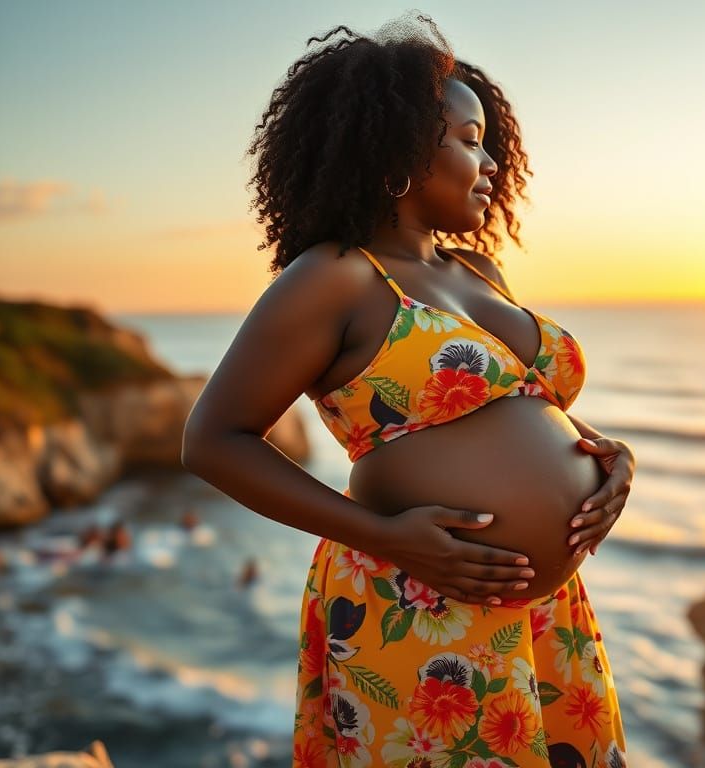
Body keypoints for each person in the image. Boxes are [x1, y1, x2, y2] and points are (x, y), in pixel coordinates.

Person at [182, 13, 635, 767]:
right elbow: (213, 440)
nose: (488, 160)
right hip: (415, 608)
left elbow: (525, 414)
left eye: (488, 138)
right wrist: (386, 536)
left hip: (544, 613)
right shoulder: (335, 277)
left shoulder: (482, 273)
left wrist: (612, 461)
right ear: (395, 153)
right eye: (466, 137)